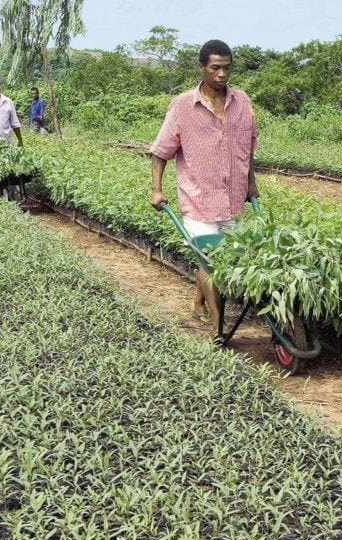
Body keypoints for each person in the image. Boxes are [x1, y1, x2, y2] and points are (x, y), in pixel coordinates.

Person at [149, 39, 258, 335]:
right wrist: (155, 189)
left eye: (227, 68)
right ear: (202, 68)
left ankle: (199, 301)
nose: (222, 74)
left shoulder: (243, 101)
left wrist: (251, 183)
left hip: (233, 201)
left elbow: (248, 147)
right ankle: (218, 326)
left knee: (228, 259)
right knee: (209, 263)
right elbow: (161, 151)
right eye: (215, 68)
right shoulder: (182, 106)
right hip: (198, 201)